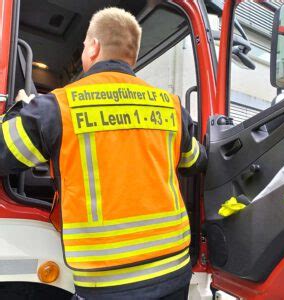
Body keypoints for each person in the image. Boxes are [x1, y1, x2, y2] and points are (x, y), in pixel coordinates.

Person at [0, 7, 207, 300]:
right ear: (132, 56)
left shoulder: (58, 106)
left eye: (84, 44)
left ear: (94, 47)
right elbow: (196, 161)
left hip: (107, 283)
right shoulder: (170, 106)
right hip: (174, 270)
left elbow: (3, 152)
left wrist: (20, 107)